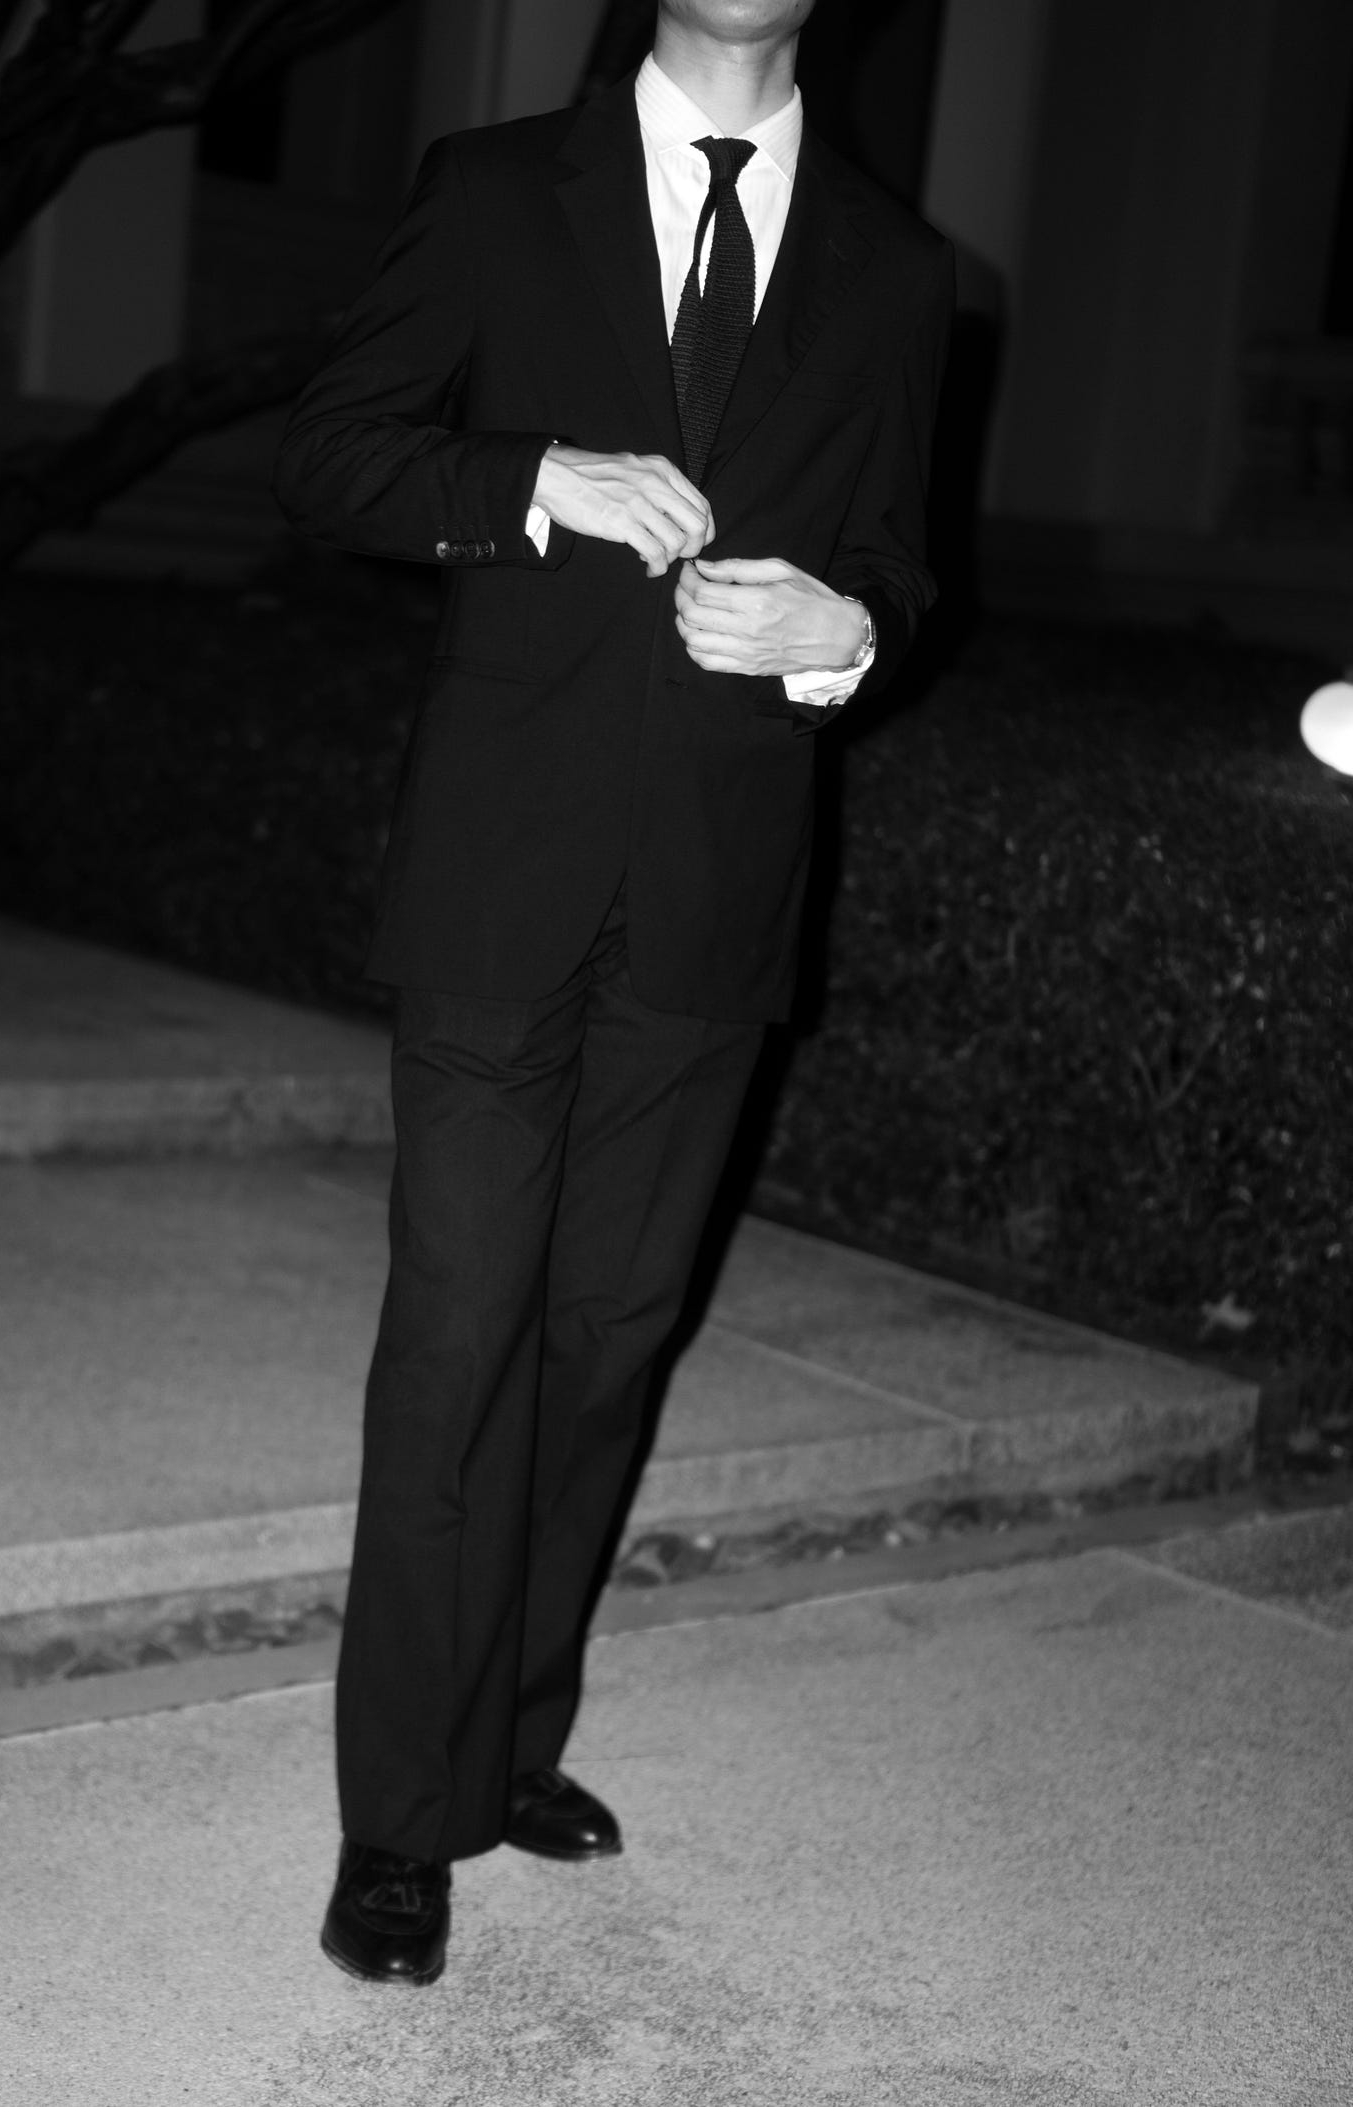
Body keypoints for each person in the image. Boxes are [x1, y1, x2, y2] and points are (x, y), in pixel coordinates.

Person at [273, 0, 952, 1987]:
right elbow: (328, 453)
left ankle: (506, 1745)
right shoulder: (496, 190)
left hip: (718, 891)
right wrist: (531, 478)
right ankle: (402, 1815)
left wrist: (844, 631)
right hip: (499, 873)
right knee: (460, 1334)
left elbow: (906, 568)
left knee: (606, 1341)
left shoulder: (901, 269)